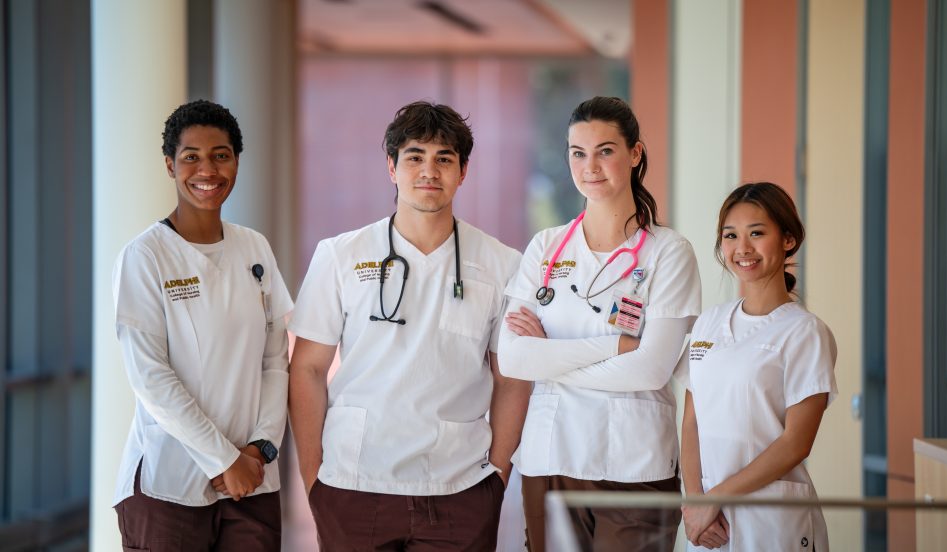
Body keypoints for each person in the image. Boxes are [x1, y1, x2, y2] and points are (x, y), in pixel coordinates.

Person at [288, 100, 528, 551]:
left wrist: (497, 474)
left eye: (444, 159)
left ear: (463, 172)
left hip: (459, 488)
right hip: (353, 483)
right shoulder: (340, 255)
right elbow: (307, 369)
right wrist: (313, 476)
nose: (429, 171)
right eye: (415, 157)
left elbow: (511, 377)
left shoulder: (501, 264)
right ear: (391, 168)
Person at [497, 96, 702, 551]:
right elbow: (512, 358)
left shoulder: (668, 252)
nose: (590, 166)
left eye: (605, 150)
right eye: (578, 152)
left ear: (636, 154)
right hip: (550, 458)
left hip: (634, 463)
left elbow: (651, 369)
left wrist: (547, 357)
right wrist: (615, 347)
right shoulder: (545, 246)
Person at [111, 100, 292, 550]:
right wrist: (222, 458)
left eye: (221, 154)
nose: (206, 169)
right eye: (191, 156)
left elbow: (275, 358)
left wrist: (259, 449)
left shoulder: (254, 247)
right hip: (168, 483)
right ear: (170, 165)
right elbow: (151, 377)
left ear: (235, 161)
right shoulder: (145, 256)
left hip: (252, 481)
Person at [680, 182, 838, 550]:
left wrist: (715, 497)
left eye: (757, 233)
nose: (743, 248)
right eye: (730, 235)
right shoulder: (708, 323)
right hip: (709, 525)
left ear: (787, 239)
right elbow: (692, 421)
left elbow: (796, 443)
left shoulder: (804, 331)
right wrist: (695, 501)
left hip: (771, 521)